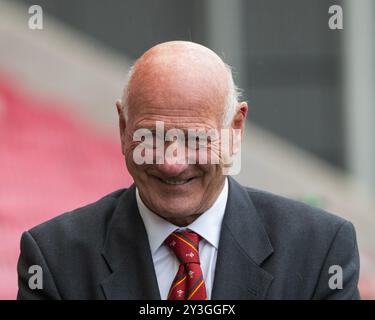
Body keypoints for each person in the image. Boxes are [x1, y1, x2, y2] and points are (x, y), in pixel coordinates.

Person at [17, 41, 360, 300]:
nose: (172, 163)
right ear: (123, 128)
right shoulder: (54, 258)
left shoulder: (319, 250)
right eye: (151, 136)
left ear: (235, 130)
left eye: (196, 138)